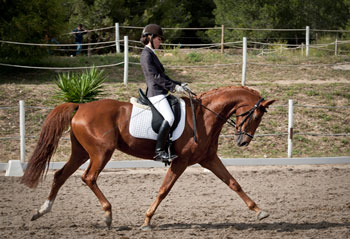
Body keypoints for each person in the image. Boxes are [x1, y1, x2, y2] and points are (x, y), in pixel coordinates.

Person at [140, 24, 189, 163]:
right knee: (170, 117)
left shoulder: (151, 53)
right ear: (151, 37)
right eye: (159, 39)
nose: (160, 42)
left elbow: (163, 76)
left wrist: (178, 83)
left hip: (161, 92)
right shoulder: (146, 54)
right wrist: (173, 87)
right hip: (155, 93)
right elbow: (155, 77)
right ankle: (159, 151)